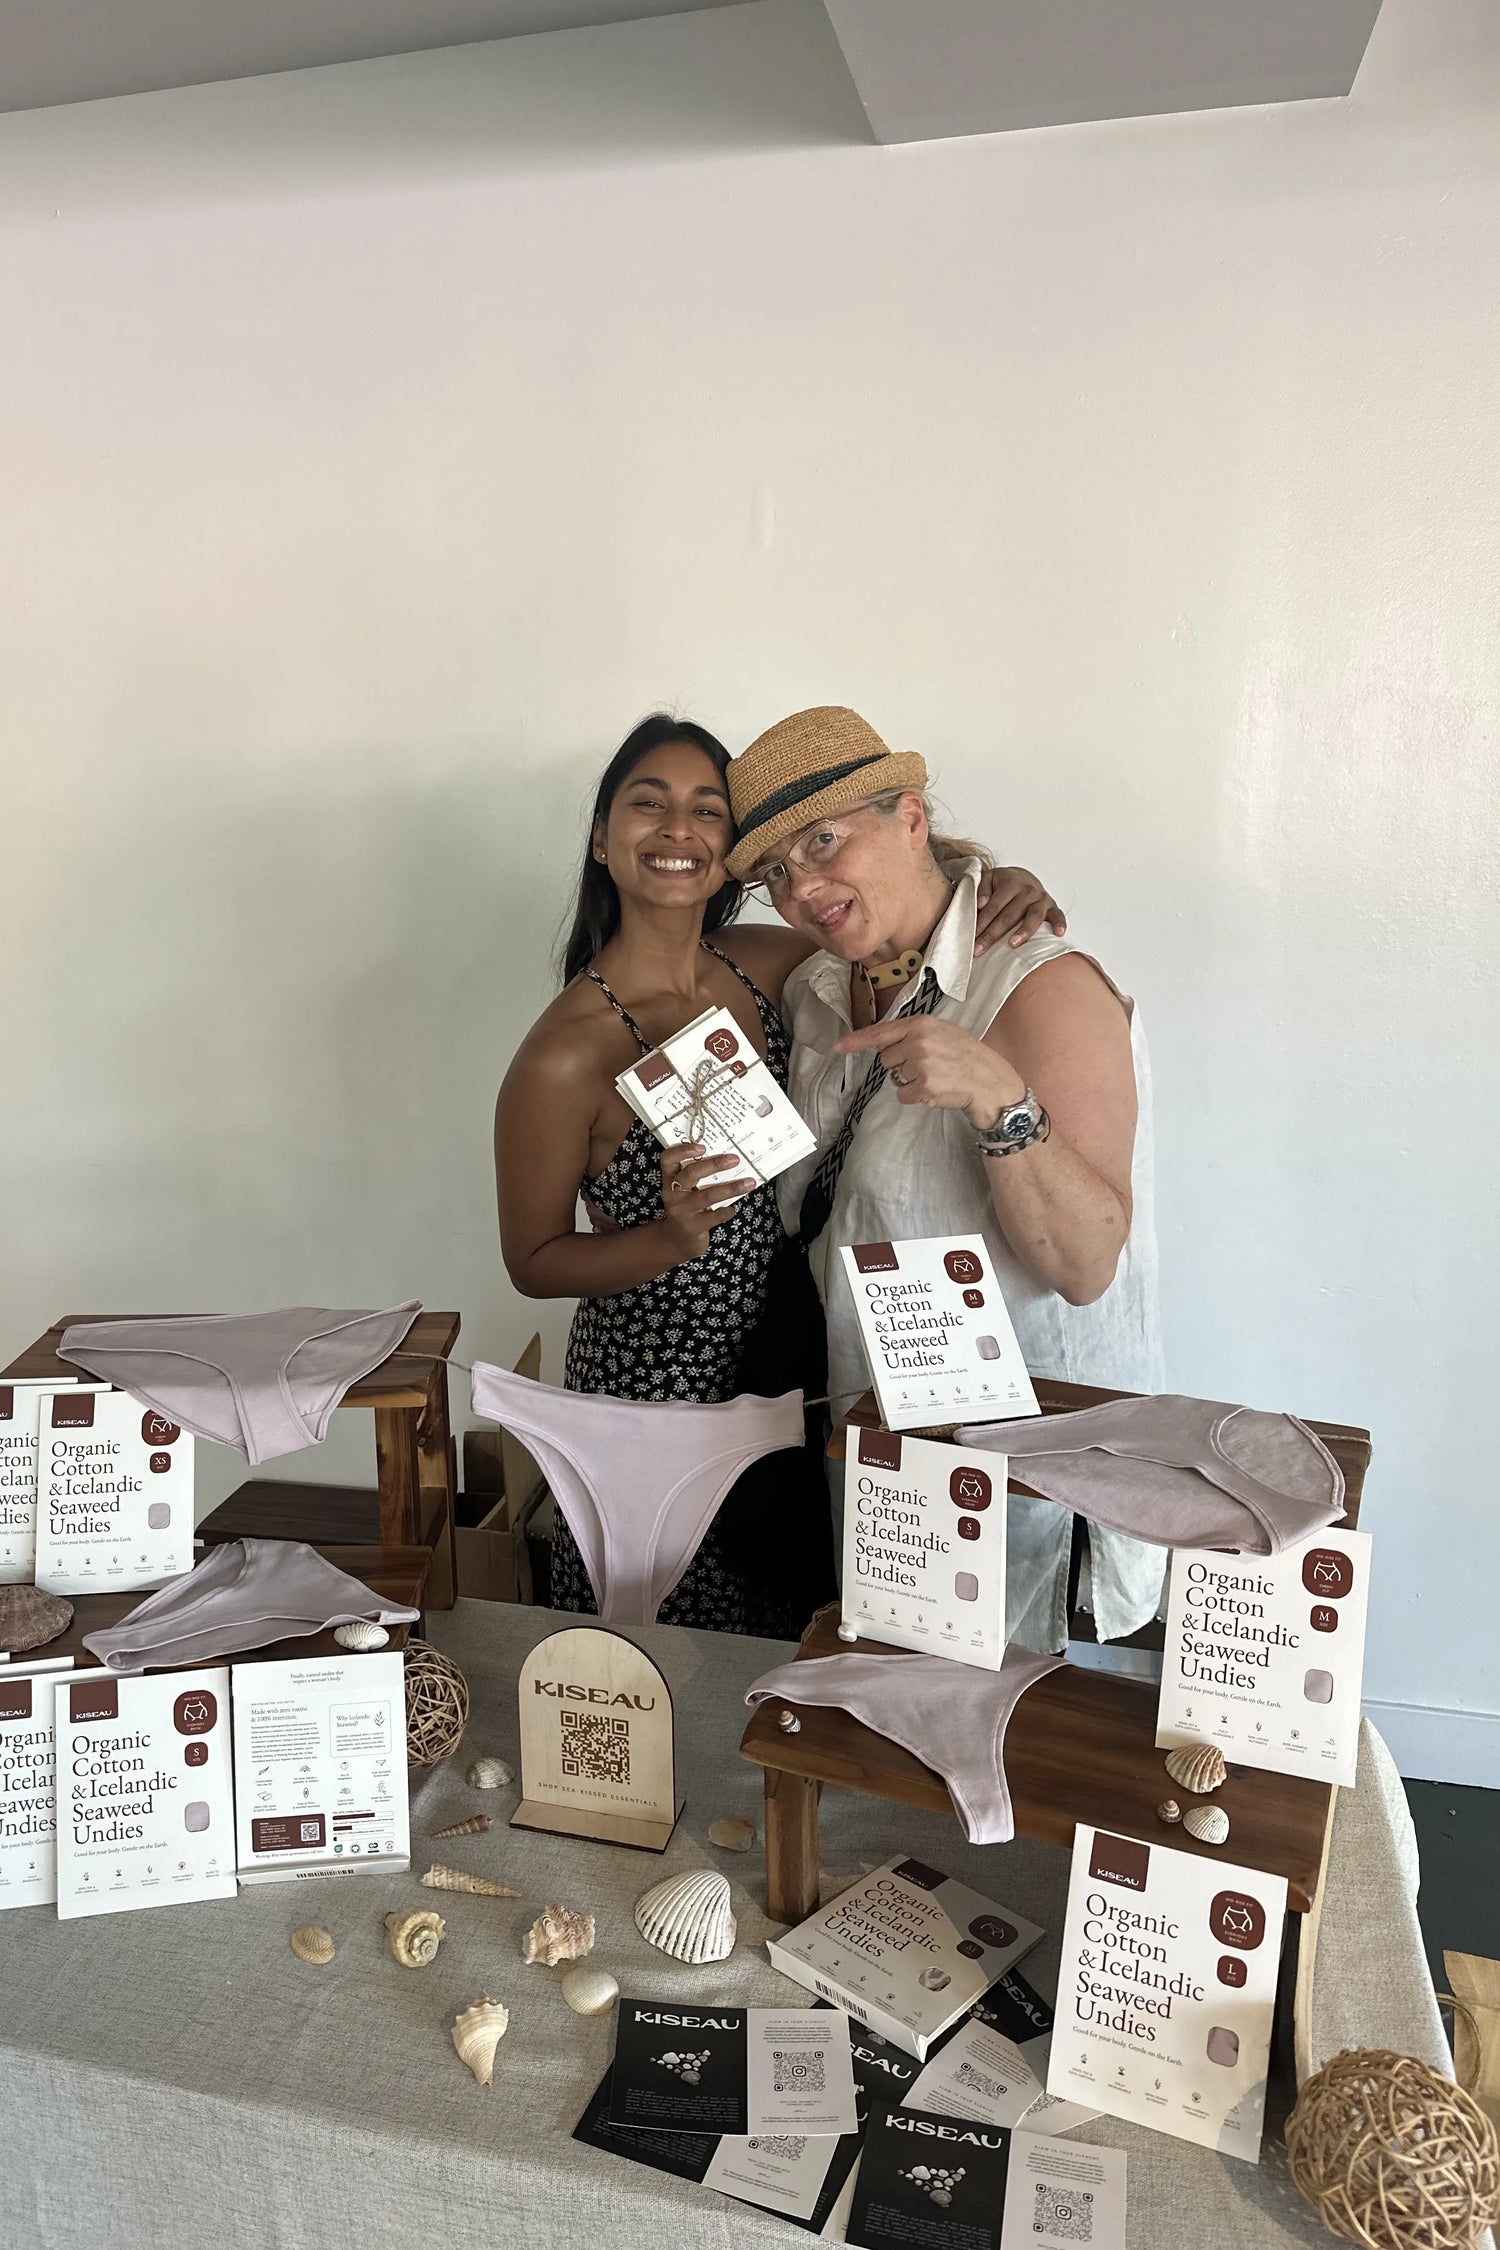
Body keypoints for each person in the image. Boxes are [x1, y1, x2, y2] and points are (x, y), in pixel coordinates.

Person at [494, 712, 1063, 1637]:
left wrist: (996, 881)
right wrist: (669, 1237)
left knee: (786, 1629)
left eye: (706, 810)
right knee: (663, 1645)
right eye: (648, 804)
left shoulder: (776, 966)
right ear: (602, 839)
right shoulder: (564, 1053)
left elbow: (903, 914)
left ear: (732, 850)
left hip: (793, 1368)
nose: (678, 829)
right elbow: (532, 1259)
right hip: (657, 1390)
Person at [723, 704, 1163, 1655]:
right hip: (881, 1447)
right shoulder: (818, 992)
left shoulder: (1039, 983)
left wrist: (1001, 1101)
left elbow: (1088, 1266)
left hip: (1022, 1470)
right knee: (895, 1739)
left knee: (1004, 1751)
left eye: (824, 839)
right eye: (774, 873)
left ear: (911, 817)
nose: (802, 886)